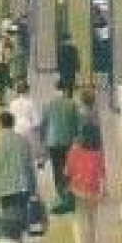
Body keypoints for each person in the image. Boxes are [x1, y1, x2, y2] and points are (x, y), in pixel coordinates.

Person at [65, 121, 107, 243]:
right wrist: (104, 192)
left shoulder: (74, 150)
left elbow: (67, 172)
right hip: (93, 192)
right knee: (91, 221)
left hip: (77, 190)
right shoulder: (98, 153)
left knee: (77, 221)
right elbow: (102, 173)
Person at [0, 109, 38, 225]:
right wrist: (34, 188)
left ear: (0, 124)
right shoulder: (23, 141)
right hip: (22, 185)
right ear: (13, 123)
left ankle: (13, 236)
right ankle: (20, 237)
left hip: (4, 188)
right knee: (22, 216)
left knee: (9, 218)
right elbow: (30, 166)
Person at [41, 84, 81, 215]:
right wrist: (76, 139)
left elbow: (44, 124)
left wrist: (44, 141)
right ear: (65, 91)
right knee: (68, 168)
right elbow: (78, 124)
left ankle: (61, 195)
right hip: (68, 142)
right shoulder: (72, 104)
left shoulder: (48, 105)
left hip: (53, 142)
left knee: (57, 169)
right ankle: (69, 195)